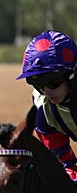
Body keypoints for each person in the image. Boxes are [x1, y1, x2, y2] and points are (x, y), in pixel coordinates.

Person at [17, 30, 77, 182]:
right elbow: (64, 162)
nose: (46, 91)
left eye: (52, 81)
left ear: (72, 75)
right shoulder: (42, 107)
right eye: (37, 84)